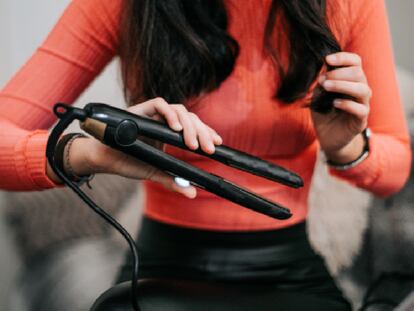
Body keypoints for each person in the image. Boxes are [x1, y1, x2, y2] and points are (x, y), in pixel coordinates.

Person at [0, 0, 411, 309]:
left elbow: (395, 169)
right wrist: (89, 153)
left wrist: (346, 147)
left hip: (291, 266)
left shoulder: (346, 4)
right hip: (162, 265)